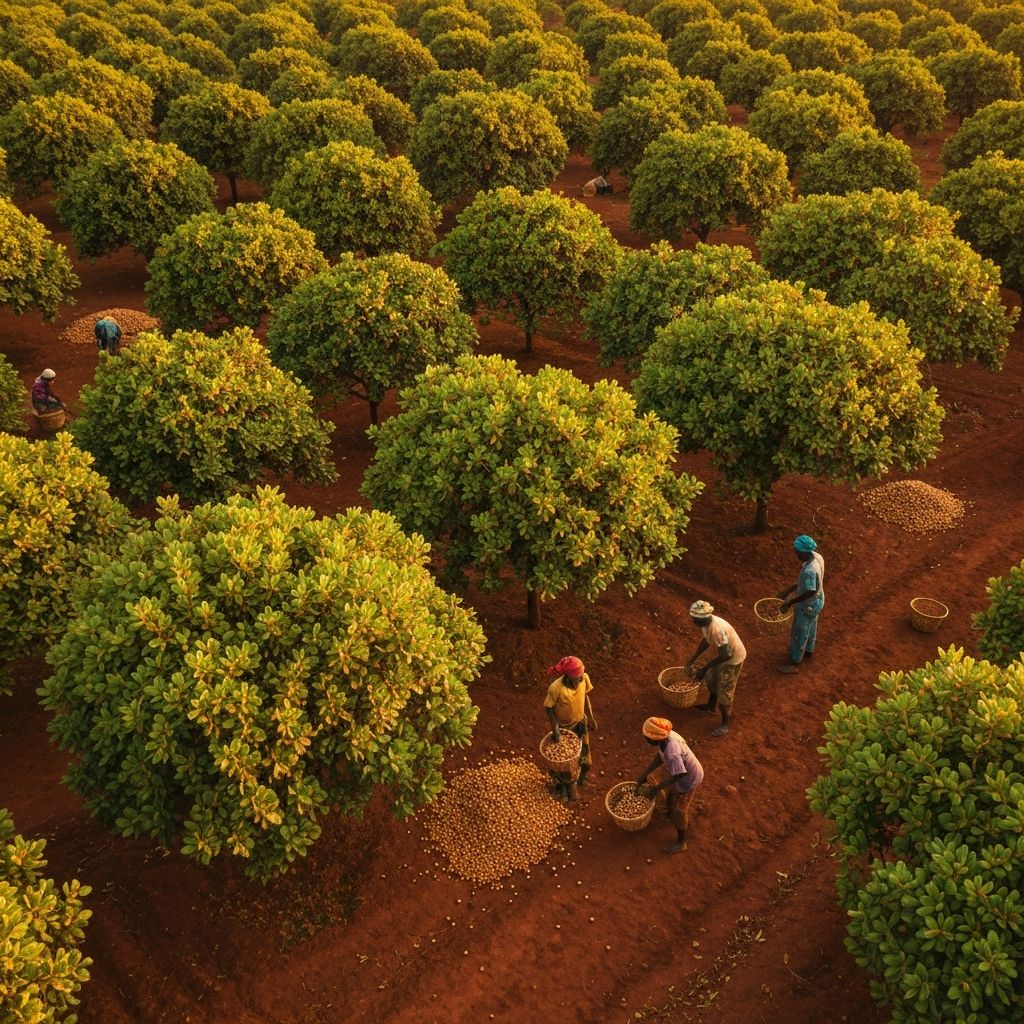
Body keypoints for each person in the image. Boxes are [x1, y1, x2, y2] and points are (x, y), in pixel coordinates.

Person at [637, 717, 704, 854]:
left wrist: (656, 788)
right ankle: (669, 811)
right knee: (670, 794)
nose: (646, 739)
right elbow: (660, 756)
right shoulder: (666, 737)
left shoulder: (672, 752)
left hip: (688, 779)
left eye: (647, 737)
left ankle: (681, 842)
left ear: (656, 738)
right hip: (679, 772)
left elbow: (679, 774)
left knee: (680, 810)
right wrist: (645, 772)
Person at [685, 600, 746, 737]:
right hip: (723, 657)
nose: (693, 622)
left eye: (695, 619)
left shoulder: (717, 629)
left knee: (725, 691)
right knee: (713, 680)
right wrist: (693, 659)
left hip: (732, 660)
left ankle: (725, 724)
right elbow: (706, 640)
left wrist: (705, 668)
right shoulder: (706, 622)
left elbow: (726, 655)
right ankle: (711, 706)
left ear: (704, 618)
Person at [544, 655, 597, 803]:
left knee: (585, 756)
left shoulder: (584, 678)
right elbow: (549, 708)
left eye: (581, 676)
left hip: (580, 723)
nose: (580, 679)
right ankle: (567, 786)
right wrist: (555, 730)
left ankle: (581, 778)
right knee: (565, 761)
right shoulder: (556, 688)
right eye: (577, 677)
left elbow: (586, 697)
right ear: (567, 676)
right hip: (564, 729)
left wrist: (591, 717)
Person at [776, 534, 825, 674]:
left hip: (808, 605)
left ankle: (795, 661)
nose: (796, 555)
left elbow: (810, 591)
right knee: (811, 627)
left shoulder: (810, 570)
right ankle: (809, 651)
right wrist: (787, 591)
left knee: (799, 631)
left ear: (804, 552)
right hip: (818, 601)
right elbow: (807, 584)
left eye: (797, 552)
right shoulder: (816, 556)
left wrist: (790, 602)